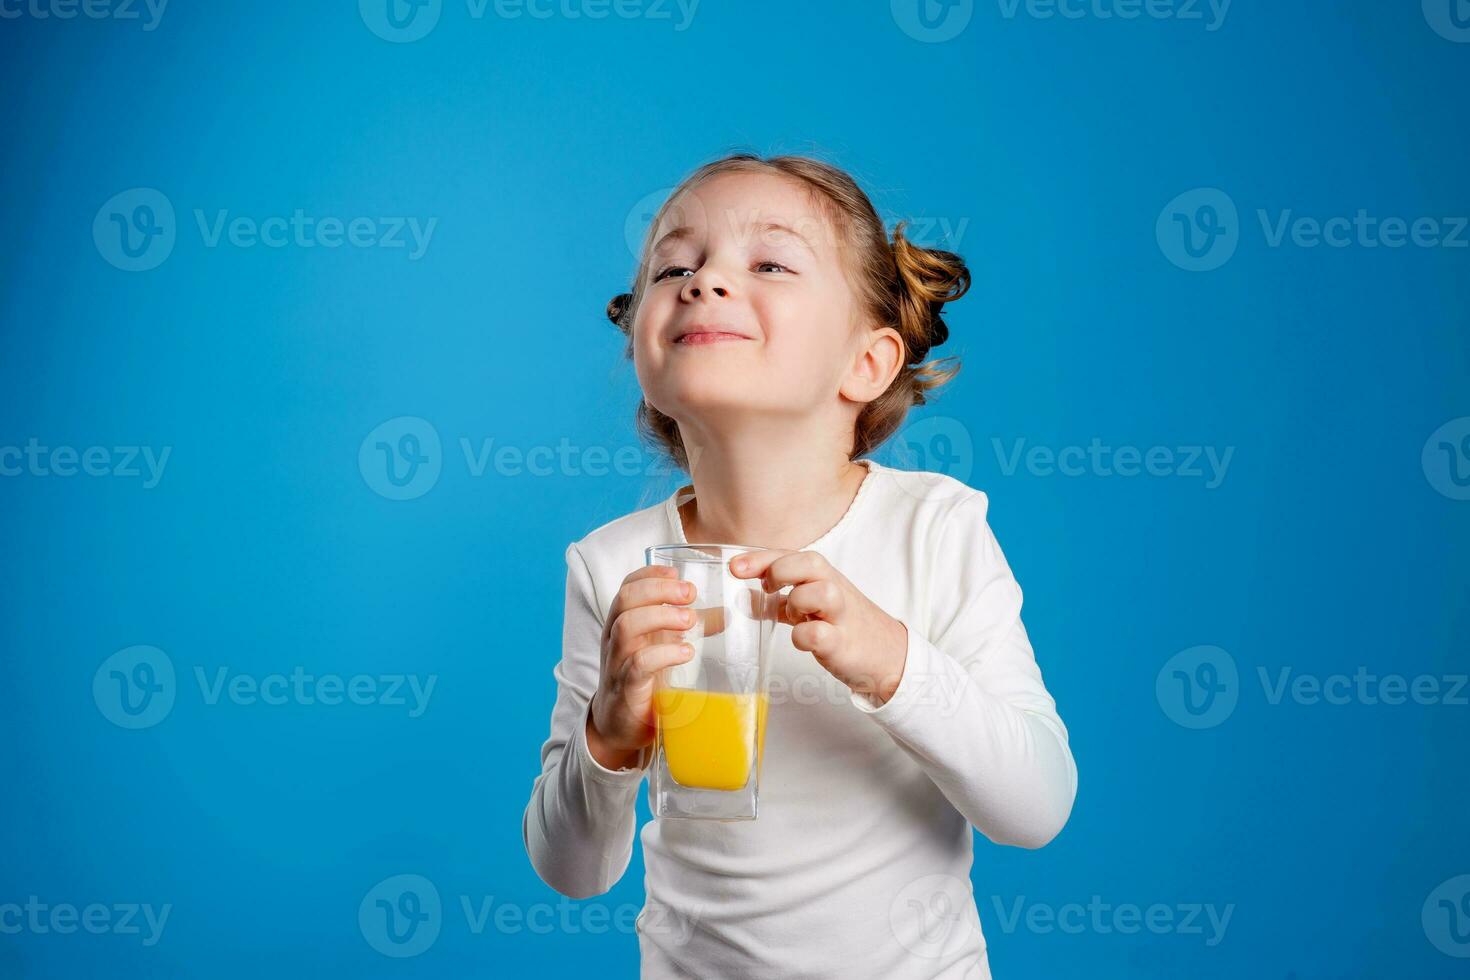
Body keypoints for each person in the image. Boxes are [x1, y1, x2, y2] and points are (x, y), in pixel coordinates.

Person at [523, 152, 1077, 979]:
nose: (703, 281)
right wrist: (608, 732)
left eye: (770, 263)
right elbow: (575, 870)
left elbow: (1036, 807)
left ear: (868, 362)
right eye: (674, 265)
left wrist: (892, 660)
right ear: (641, 345)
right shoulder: (613, 565)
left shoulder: (933, 528)